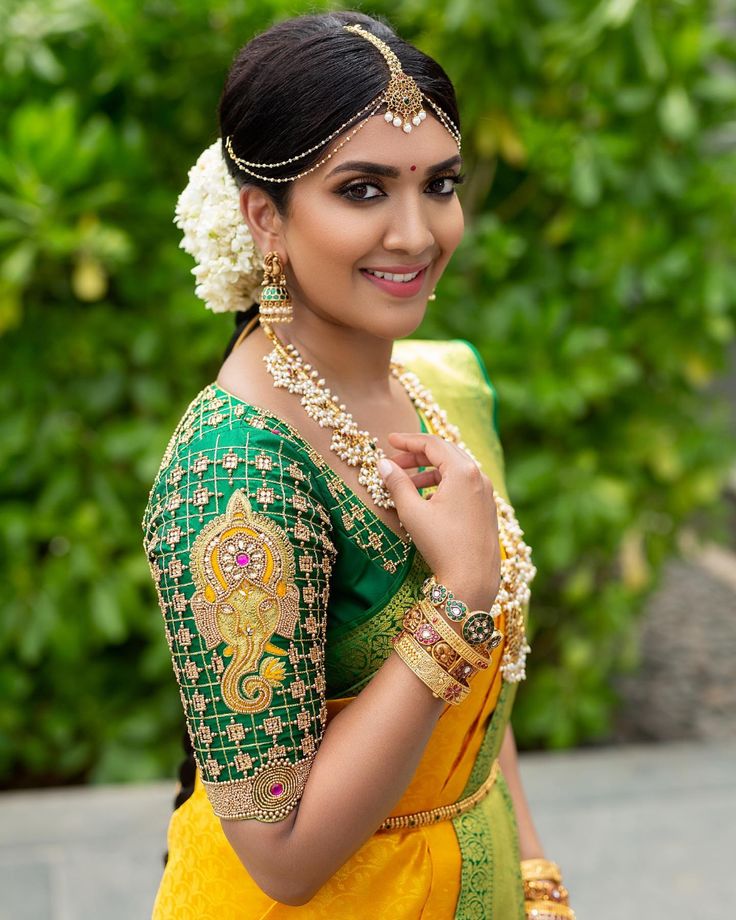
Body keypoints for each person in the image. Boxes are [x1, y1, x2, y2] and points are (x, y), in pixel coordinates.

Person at [142, 11, 575, 919]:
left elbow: (479, 704)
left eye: (440, 185)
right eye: (364, 190)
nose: (417, 235)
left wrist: (535, 878)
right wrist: (456, 593)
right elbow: (282, 855)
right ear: (265, 214)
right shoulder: (235, 478)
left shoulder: (439, 385)